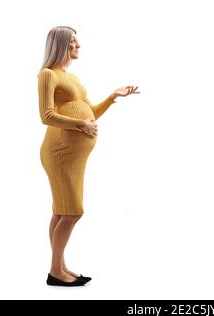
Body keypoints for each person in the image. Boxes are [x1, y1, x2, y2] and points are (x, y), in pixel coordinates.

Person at [38, 26, 139, 286]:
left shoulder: (69, 77)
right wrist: (81, 125)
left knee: (62, 212)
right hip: (60, 153)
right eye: (73, 42)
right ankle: (55, 272)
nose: (78, 45)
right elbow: (46, 115)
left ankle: (59, 266)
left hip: (74, 156)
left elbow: (90, 111)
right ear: (60, 45)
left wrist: (112, 97)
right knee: (72, 212)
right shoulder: (48, 75)